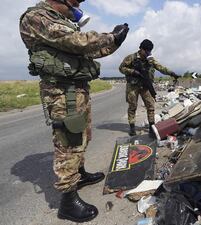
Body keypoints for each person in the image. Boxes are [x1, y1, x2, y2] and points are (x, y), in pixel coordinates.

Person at [19, 0, 129, 222]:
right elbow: (78, 42)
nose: (76, 8)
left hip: (76, 88)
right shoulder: (37, 17)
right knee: (68, 142)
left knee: (82, 136)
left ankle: (79, 175)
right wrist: (112, 37)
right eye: (74, 4)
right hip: (61, 91)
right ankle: (68, 202)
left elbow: (87, 51)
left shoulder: (61, 20)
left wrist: (113, 42)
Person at [119, 39, 180, 136]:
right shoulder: (131, 57)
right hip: (133, 86)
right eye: (146, 50)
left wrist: (172, 73)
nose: (148, 53)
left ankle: (152, 127)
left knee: (150, 106)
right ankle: (132, 127)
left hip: (145, 86)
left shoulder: (150, 59)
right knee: (132, 106)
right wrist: (133, 72)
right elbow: (121, 68)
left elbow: (161, 68)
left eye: (149, 51)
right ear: (141, 49)